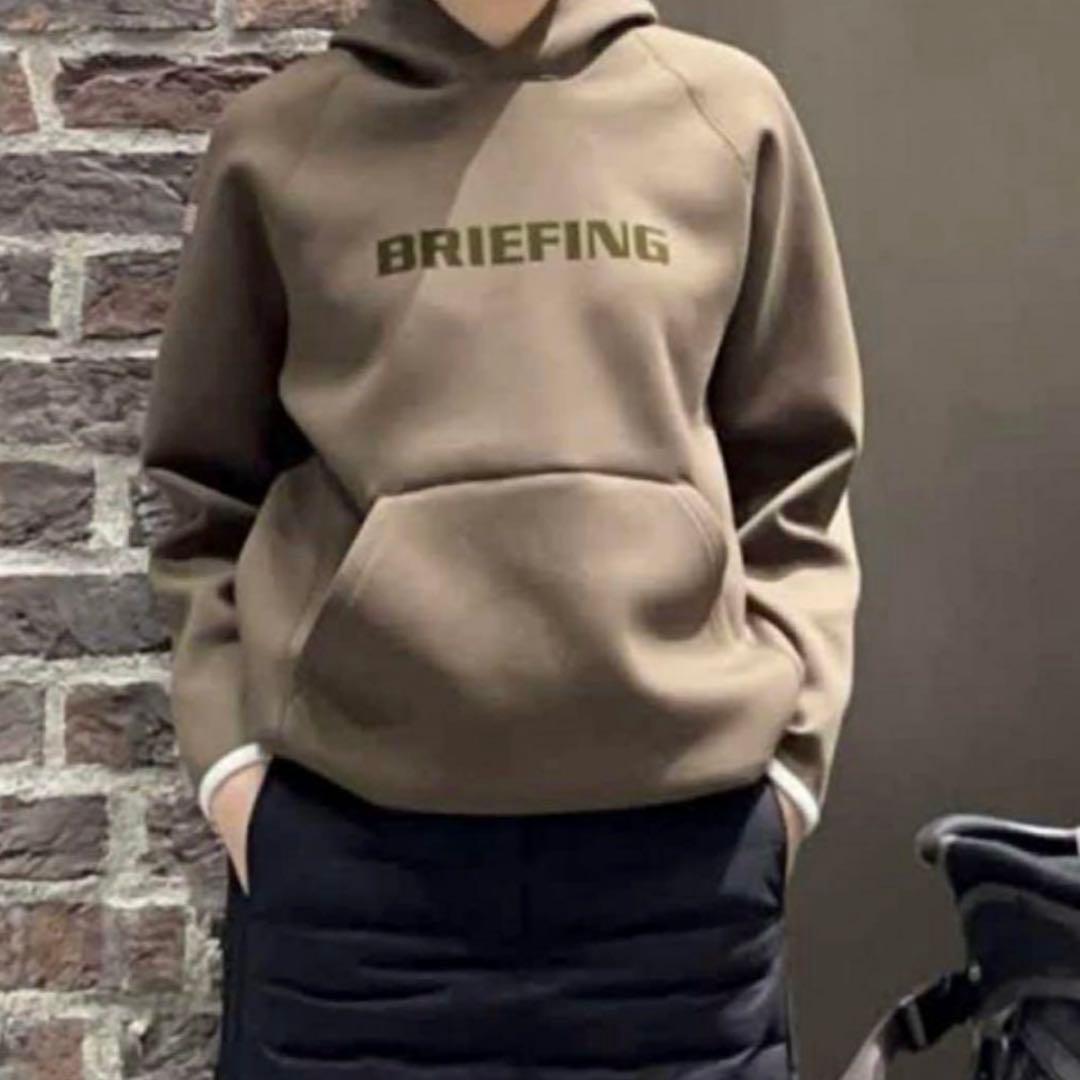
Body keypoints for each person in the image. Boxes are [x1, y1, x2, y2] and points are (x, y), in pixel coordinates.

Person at [139, 0, 864, 1074]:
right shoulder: (281, 139)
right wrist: (235, 775)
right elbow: (206, 484)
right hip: (354, 877)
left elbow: (797, 463)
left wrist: (790, 772)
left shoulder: (724, 114)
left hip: (681, 872)